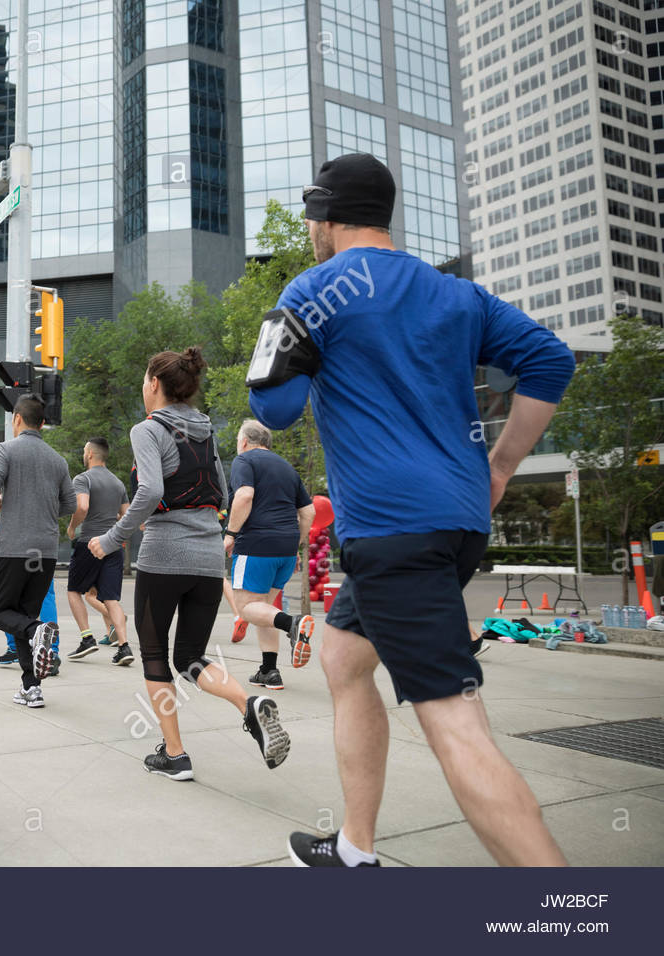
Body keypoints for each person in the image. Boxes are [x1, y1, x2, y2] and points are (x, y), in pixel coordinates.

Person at [249, 153, 572, 866]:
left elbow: (271, 406)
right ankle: (357, 850)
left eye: (311, 219)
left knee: (455, 723)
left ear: (326, 218)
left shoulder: (312, 291)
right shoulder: (456, 295)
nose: (310, 230)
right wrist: (501, 466)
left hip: (393, 533)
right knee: (343, 657)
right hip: (457, 522)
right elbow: (551, 359)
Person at [90, 349, 290, 780]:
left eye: (146, 379)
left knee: (155, 656)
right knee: (192, 657)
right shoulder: (206, 429)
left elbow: (149, 491)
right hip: (205, 557)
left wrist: (111, 540)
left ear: (156, 384)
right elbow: (218, 491)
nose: (144, 386)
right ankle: (248, 703)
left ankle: (176, 755)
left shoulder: (147, 429)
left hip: (163, 556)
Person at [0, 394, 76, 708]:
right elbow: (70, 505)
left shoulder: (5, 449)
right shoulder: (57, 460)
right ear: (43, 422)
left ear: (17, 419)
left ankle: (37, 631)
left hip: (14, 548)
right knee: (23, 616)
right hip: (45, 551)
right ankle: (31, 688)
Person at [225, 419, 316, 690]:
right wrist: (296, 545)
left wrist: (230, 534)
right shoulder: (287, 467)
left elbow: (243, 496)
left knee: (245, 607)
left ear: (244, 442)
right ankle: (269, 671)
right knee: (265, 607)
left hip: (256, 544)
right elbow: (308, 512)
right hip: (286, 548)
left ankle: (293, 624)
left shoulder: (244, 461)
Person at [64, 437, 133, 665]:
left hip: (90, 543)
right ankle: (124, 647)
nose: (84, 455)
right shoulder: (118, 483)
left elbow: (82, 506)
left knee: (74, 590)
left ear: (91, 454)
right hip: (113, 545)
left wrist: (73, 526)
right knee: (111, 598)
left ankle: (87, 638)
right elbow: (128, 516)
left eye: (85, 451)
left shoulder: (83, 479)